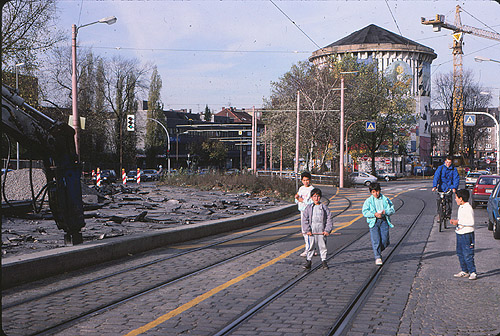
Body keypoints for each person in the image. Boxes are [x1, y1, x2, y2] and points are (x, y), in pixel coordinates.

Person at [362, 182, 395, 265]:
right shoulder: (368, 201)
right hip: (374, 222)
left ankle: (378, 250)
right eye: (373, 192)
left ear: (380, 191)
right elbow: (364, 212)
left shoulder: (385, 199)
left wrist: (385, 212)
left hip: (384, 221)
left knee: (385, 240)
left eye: (377, 191)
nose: (375, 193)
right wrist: (374, 214)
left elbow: (392, 209)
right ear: (371, 192)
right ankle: (377, 257)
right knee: (376, 240)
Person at [301, 188, 333, 270]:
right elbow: (304, 219)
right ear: (311, 197)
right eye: (314, 196)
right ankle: (309, 260)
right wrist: (307, 230)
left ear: (320, 197)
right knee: (310, 246)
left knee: (323, 246)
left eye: (318, 196)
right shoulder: (308, 208)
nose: (316, 198)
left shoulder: (324, 207)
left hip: (321, 230)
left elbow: (329, 218)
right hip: (311, 230)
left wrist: (327, 230)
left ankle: (324, 260)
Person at [450, 189, 477, 280]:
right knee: (460, 253)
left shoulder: (468, 208)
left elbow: (471, 222)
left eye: (456, 198)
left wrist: (458, 222)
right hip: (460, 233)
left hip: (467, 234)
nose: (455, 200)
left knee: (468, 254)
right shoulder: (461, 207)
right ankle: (464, 270)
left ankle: (472, 272)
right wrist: (457, 223)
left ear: (461, 199)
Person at [295, 172, 315, 257]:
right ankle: (311, 248)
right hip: (302, 210)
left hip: (309, 211)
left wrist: (302, 200)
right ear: (301, 180)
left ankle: (309, 249)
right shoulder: (301, 188)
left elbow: (311, 201)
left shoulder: (312, 189)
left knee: (308, 230)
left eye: (307, 180)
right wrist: (297, 198)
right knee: (304, 230)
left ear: (310, 180)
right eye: (304, 180)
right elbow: (297, 200)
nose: (306, 182)